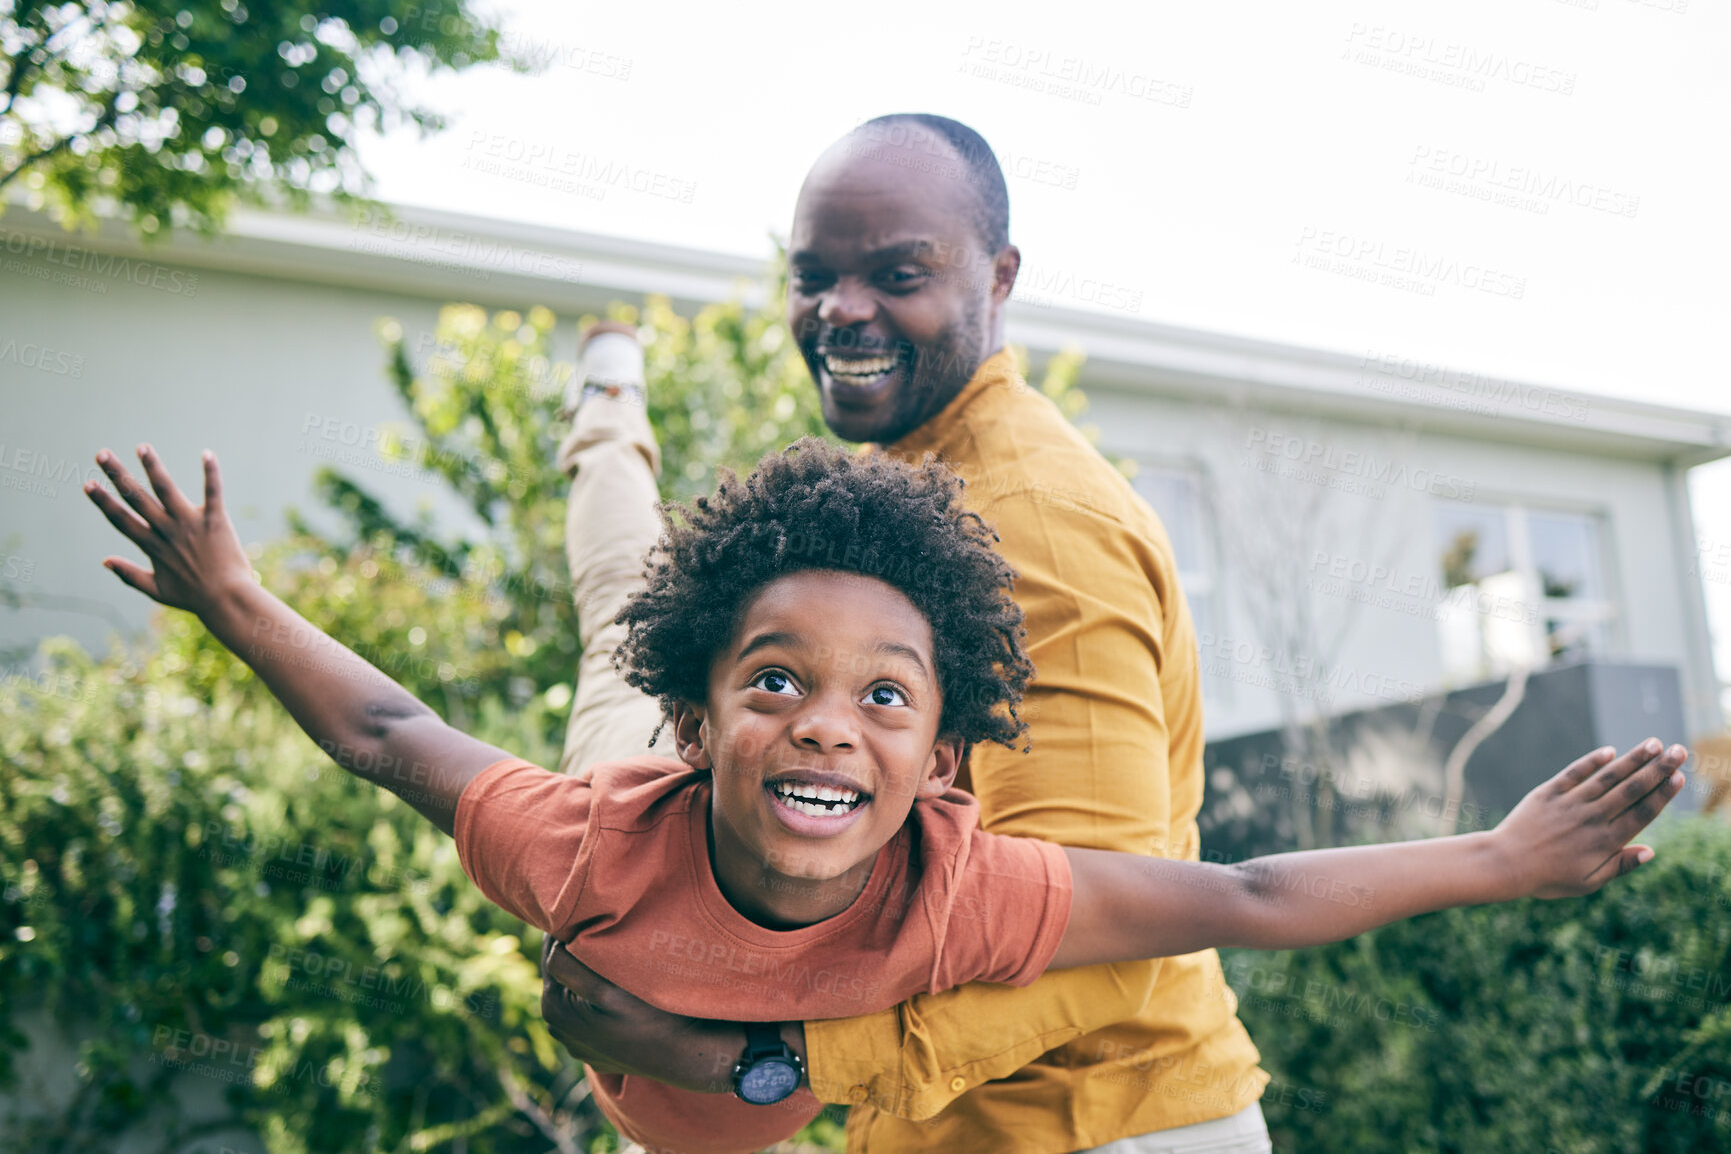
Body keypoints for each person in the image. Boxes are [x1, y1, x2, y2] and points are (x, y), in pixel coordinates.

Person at [83, 439, 1687, 1154]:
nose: (826, 727)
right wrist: (235, 600)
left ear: (941, 759)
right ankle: (604, 420)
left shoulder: (970, 886)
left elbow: (1250, 895)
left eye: (885, 697)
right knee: (614, 600)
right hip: (616, 786)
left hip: (733, 1112)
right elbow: (384, 729)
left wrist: (1494, 852)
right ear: (709, 715)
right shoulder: (581, 834)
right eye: (774, 679)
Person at [537, 112, 1278, 1154]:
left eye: (897, 273)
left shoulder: (1035, 526)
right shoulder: (910, 494)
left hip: (1095, 1127)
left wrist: (756, 1061)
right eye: (815, 275)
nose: (843, 311)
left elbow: (1109, 931)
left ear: (1000, 275)